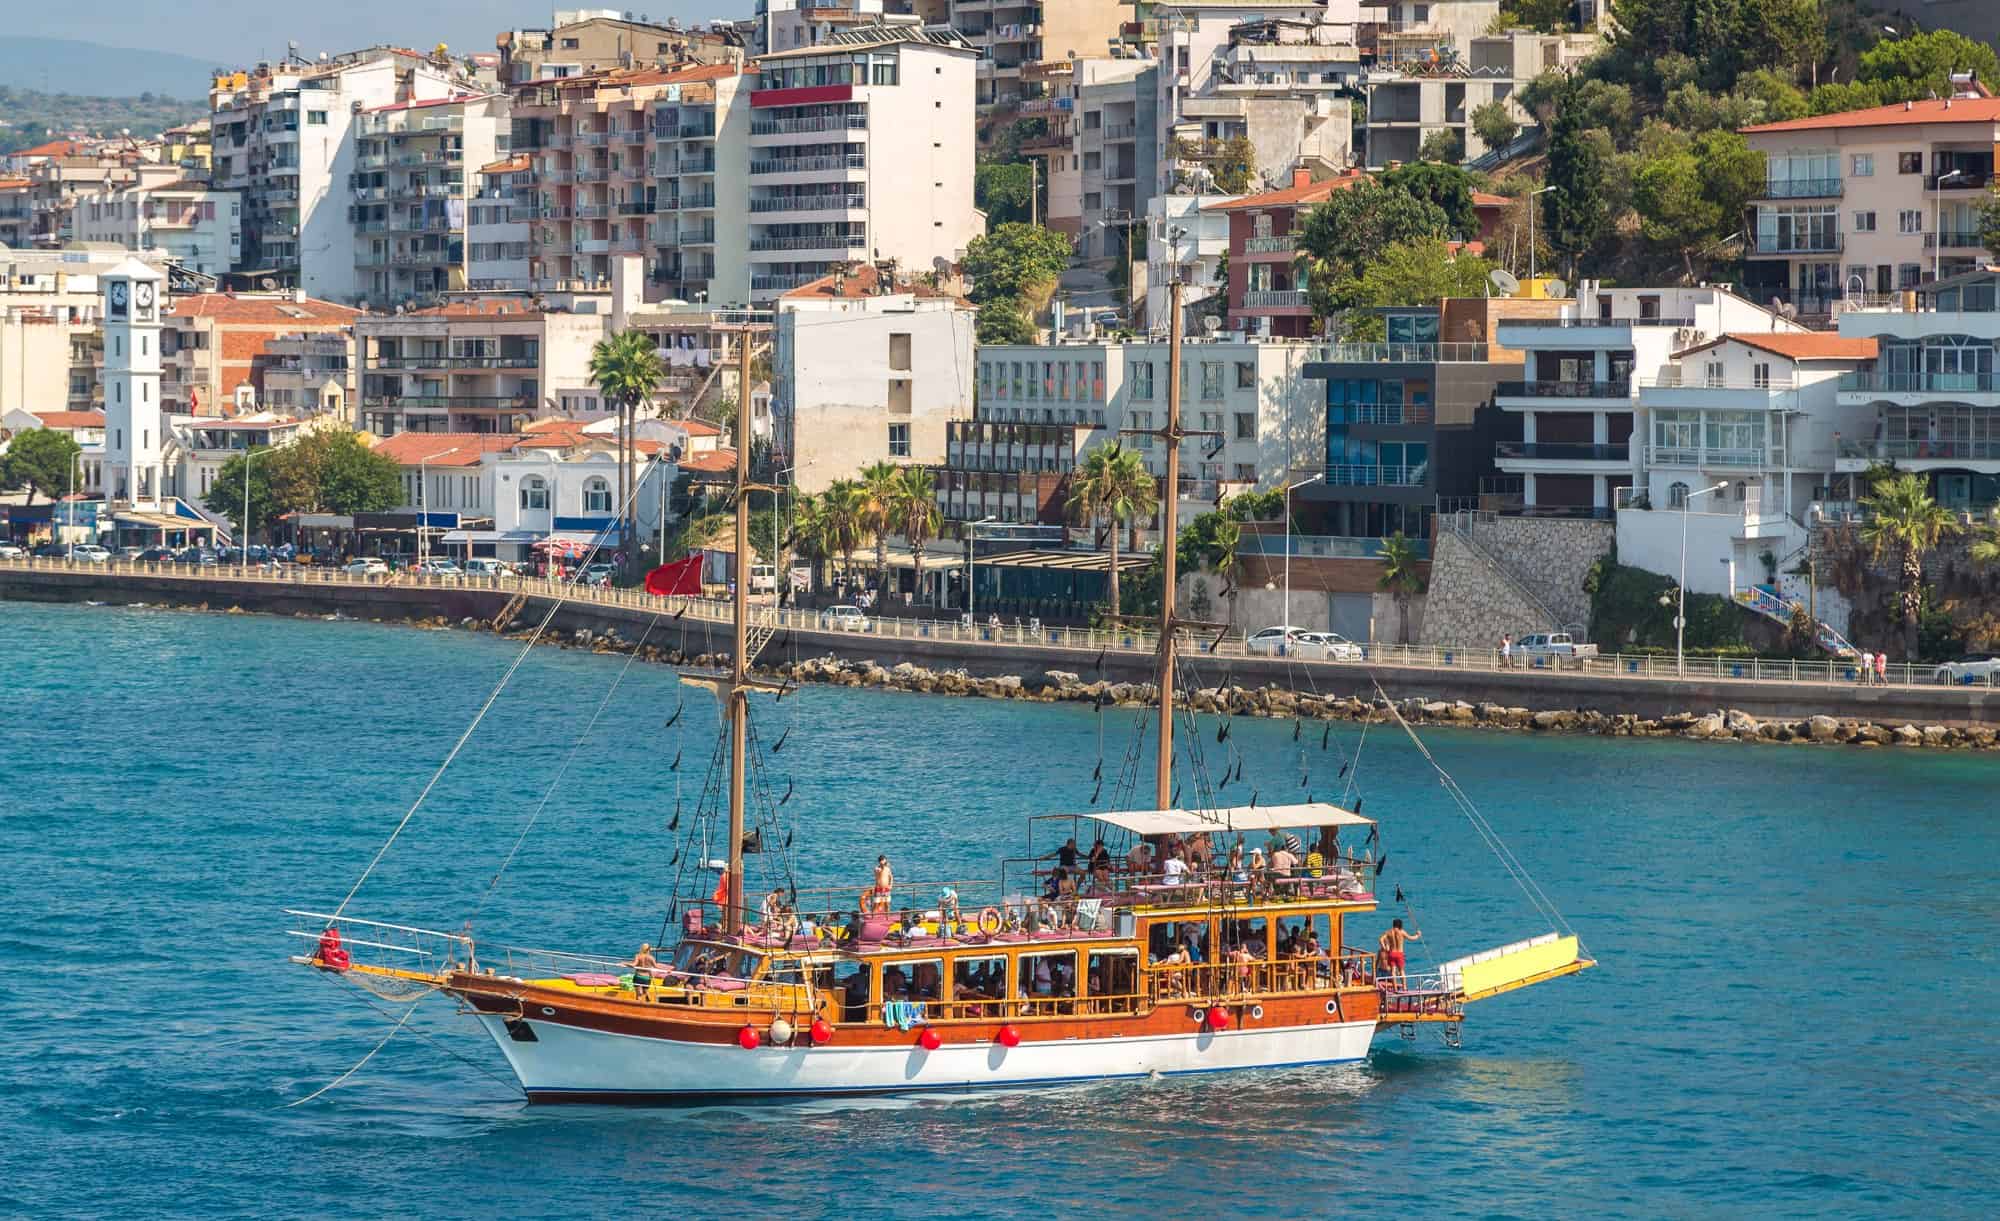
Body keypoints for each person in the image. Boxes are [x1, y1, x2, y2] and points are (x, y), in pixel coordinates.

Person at [1378, 918, 1420, 989]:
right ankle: (1404, 987)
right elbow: (1411, 938)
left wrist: (1384, 947)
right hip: (1399, 954)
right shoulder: (1402, 932)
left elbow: (1380, 939)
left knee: (1393, 971)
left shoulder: (1389, 932)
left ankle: (1394, 987)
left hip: (1391, 953)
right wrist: (1418, 935)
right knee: (1401, 971)